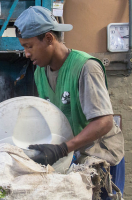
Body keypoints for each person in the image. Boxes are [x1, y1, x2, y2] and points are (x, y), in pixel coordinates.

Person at [14, 6, 125, 198]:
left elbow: (104, 122)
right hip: (77, 155)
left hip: (103, 159)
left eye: (29, 46)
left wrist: (62, 149)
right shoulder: (41, 71)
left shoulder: (85, 67)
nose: (26, 53)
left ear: (49, 38)